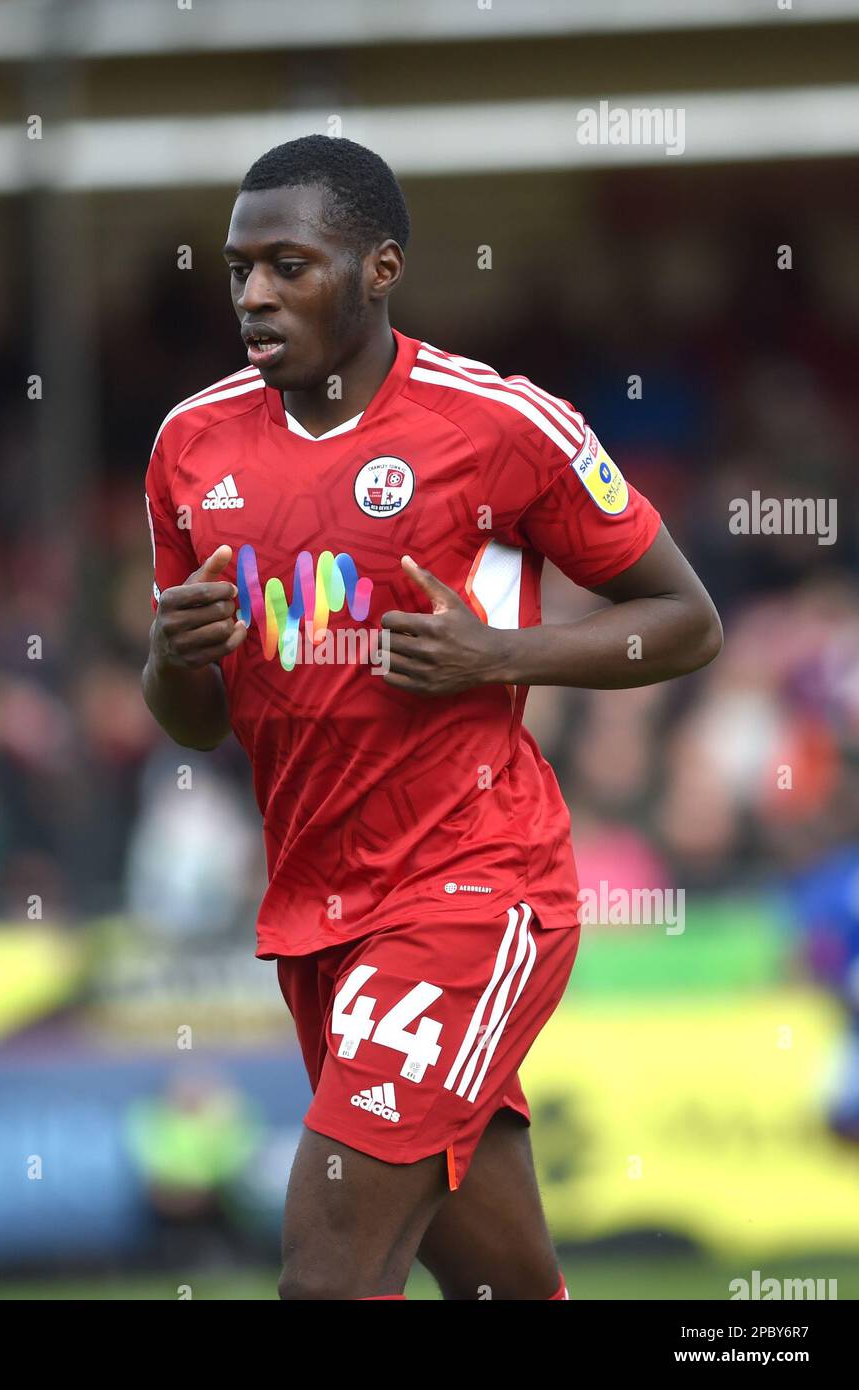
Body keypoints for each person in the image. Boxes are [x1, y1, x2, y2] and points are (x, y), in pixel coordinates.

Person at [141, 135, 723, 1300]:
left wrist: (496, 655)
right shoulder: (188, 446)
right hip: (314, 911)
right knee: (505, 1284)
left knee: (325, 1267)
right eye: (237, 268)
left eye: (288, 266)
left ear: (378, 268)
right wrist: (168, 660)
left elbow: (683, 619)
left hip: (472, 884)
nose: (253, 295)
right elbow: (195, 722)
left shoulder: (497, 426)